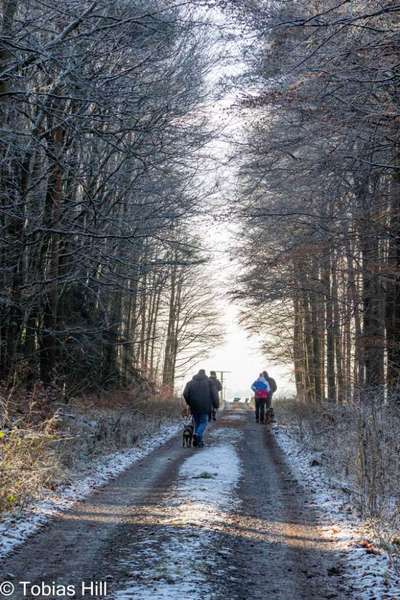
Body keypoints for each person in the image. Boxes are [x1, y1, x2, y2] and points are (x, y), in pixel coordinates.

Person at [183, 369, 219, 447]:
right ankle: (198, 435)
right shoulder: (210, 382)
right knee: (203, 422)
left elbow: (185, 393)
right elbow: (215, 395)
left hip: (194, 406)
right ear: (205, 374)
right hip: (205, 406)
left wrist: (189, 402)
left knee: (197, 423)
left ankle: (198, 441)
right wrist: (216, 405)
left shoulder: (190, 383)